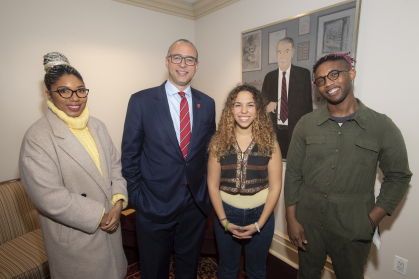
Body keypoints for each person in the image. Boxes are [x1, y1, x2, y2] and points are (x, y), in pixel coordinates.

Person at [284, 53, 412, 279]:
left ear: (351, 74)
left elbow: (399, 176)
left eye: (334, 74)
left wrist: (371, 220)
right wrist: (291, 219)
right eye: (321, 80)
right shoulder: (306, 124)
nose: (328, 83)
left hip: (354, 226)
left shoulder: (381, 126)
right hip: (309, 222)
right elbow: (293, 174)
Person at [19, 52, 128, 278]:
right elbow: (48, 197)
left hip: (111, 229)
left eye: (80, 90)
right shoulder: (37, 137)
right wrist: (100, 214)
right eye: (64, 91)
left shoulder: (98, 126)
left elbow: (116, 168)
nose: (75, 98)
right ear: (49, 95)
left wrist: (118, 203)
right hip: (77, 239)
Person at [121, 39, 216, 278]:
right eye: (177, 57)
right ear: (167, 61)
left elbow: (208, 151)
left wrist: (204, 191)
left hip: (194, 205)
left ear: (197, 65)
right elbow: (130, 154)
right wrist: (137, 197)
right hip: (153, 205)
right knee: (154, 270)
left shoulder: (208, 103)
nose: (183, 64)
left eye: (189, 59)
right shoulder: (141, 101)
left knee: (188, 268)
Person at [207, 84, 282, 279]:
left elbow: (275, 188)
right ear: (230, 109)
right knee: (227, 268)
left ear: (258, 109)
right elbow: (213, 185)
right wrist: (224, 221)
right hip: (226, 213)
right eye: (238, 105)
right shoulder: (218, 142)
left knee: (257, 271)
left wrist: (259, 224)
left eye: (250, 105)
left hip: (261, 215)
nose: (244, 111)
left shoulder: (270, 142)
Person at [262, 37, 312, 159]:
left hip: (295, 133)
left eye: (286, 51)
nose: (282, 55)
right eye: (279, 52)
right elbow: (260, 106)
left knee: (293, 169)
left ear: (293, 52)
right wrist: (266, 107)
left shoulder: (303, 74)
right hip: (274, 133)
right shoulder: (269, 77)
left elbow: (307, 108)